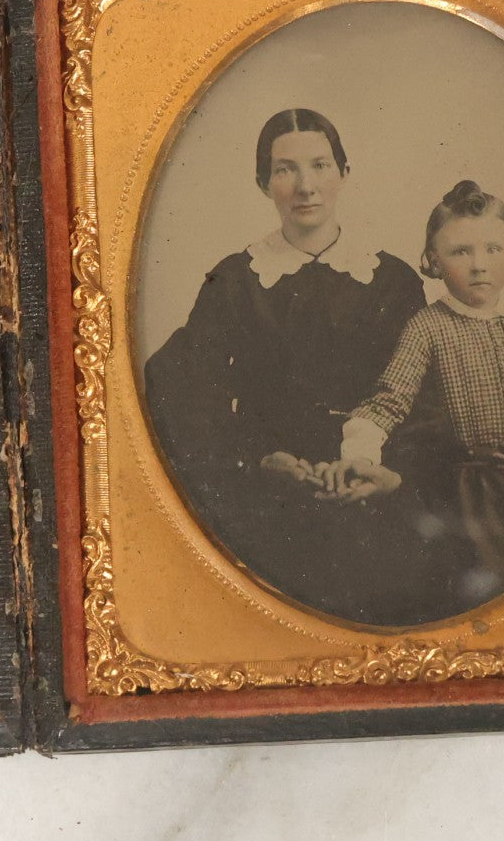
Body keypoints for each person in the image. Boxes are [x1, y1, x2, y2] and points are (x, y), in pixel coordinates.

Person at [143, 108, 454, 625]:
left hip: (375, 483)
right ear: (264, 182)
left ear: (343, 174)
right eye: (286, 169)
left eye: (320, 165)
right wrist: (256, 461)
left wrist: (387, 473)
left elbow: (425, 395)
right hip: (272, 491)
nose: (305, 186)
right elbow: (181, 387)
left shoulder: (392, 280)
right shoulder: (237, 279)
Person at [323, 179, 504, 605]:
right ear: (433, 260)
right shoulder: (427, 328)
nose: (479, 265)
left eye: (492, 249)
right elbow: (387, 401)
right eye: (460, 252)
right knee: (489, 596)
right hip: (472, 498)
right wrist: (359, 457)